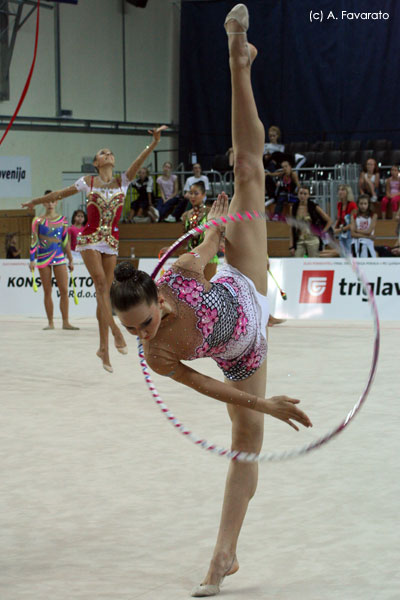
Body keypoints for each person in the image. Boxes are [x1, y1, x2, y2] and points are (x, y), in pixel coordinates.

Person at [110, 6, 312, 596]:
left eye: (144, 323)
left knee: (248, 168)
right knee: (246, 447)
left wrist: (218, 229)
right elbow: (209, 388)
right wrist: (265, 403)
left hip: (241, 284)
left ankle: (237, 58)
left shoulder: (177, 277)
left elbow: (202, 250)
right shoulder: (158, 358)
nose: (142, 337)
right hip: (241, 357)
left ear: (158, 298)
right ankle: (223, 557)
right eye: (132, 332)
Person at [23, 126, 166, 371]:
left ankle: (104, 350)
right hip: (89, 239)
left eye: (110, 153)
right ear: (96, 163)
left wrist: (153, 144)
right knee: (100, 284)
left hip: (111, 242)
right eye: (103, 153)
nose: (108, 154)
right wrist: (35, 201)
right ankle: (115, 333)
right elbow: (60, 193)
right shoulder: (87, 182)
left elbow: (139, 160)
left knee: (106, 294)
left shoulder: (124, 180)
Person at [30, 196, 78, 331]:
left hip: (59, 257)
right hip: (43, 258)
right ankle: (50, 322)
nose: (50, 204)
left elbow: (65, 241)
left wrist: (70, 259)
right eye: (47, 201)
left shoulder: (63, 220)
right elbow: (34, 240)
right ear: (43, 203)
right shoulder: (37, 220)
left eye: (52, 201)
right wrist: (32, 259)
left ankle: (66, 322)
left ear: (56, 202)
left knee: (64, 290)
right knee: (47, 291)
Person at [181, 181, 219, 281]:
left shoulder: (210, 212)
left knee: (206, 290)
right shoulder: (186, 215)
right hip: (192, 258)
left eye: (196, 193)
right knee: (193, 293)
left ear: (203, 195)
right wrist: (170, 249)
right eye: (190, 193)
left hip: (208, 258)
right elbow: (184, 239)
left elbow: (218, 233)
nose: (192, 196)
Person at [289, 185, 332, 257]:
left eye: (305, 194)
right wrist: (291, 245)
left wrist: (322, 232)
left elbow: (329, 220)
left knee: (313, 263)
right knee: (297, 261)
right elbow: (291, 227)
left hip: (312, 239)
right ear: (298, 194)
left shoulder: (314, 206)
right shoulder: (293, 208)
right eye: (301, 193)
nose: (302, 196)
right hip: (299, 239)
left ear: (308, 195)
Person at [333, 184, 357, 254]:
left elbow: (352, 224)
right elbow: (339, 219)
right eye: (339, 190)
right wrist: (333, 229)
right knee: (342, 254)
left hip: (350, 233)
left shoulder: (352, 205)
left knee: (348, 253)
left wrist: (339, 230)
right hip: (342, 232)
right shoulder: (339, 204)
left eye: (342, 190)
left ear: (348, 192)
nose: (340, 192)